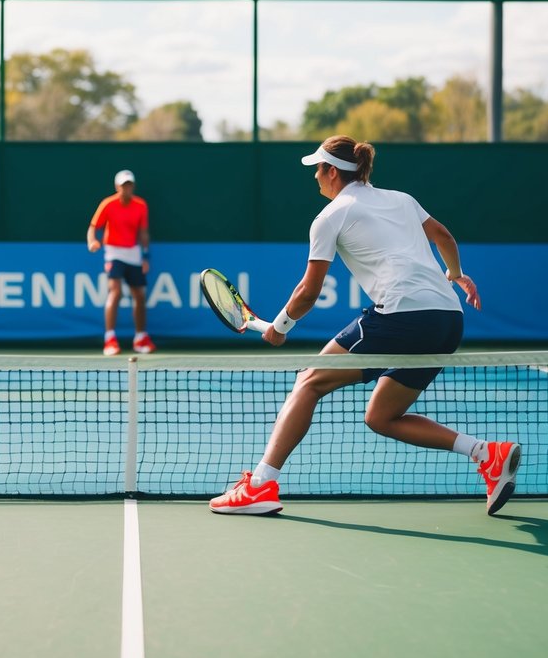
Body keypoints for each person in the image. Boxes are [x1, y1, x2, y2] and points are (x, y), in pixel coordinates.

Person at [208, 136, 520, 516]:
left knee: (308, 382)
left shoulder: (331, 216)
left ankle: (259, 486)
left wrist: (282, 325)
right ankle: (486, 453)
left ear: (333, 172)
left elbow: (309, 290)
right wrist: (455, 275)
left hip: (402, 315)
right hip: (448, 319)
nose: (315, 178)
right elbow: (444, 236)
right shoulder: (401, 199)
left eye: (318, 170)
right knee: (381, 417)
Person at [87, 169, 155, 355]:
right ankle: (109, 339)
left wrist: (146, 256)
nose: (127, 188)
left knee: (140, 296)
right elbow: (93, 227)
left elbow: (143, 232)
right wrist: (92, 241)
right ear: (117, 187)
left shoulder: (141, 205)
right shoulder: (108, 204)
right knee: (115, 292)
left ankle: (140, 338)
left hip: (133, 253)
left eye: (130, 184)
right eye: (124, 185)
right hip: (114, 252)